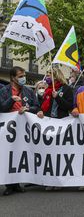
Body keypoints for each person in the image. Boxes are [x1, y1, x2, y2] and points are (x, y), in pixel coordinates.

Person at [0, 66, 39, 196]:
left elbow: (36, 107)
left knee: (20, 154)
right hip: (8, 130)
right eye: (20, 76)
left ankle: (17, 183)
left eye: (24, 76)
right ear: (12, 78)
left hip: (24, 129)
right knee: (8, 155)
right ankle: (9, 184)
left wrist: (28, 110)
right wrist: (11, 100)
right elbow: (2, 108)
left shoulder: (28, 91)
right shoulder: (4, 91)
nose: (23, 78)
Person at [37, 67, 74, 191]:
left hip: (61, 123)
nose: (47, 76)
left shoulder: (67, 89)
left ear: (56, 76)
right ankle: (49, 179)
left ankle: (59, 180)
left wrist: (57, 97)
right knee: (48, 153)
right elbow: (41, 107)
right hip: (48, 124)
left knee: (59, 153)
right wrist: (40, 111)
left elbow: (69, 105)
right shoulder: (47, 91)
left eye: (49, 74)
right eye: (47, 74)